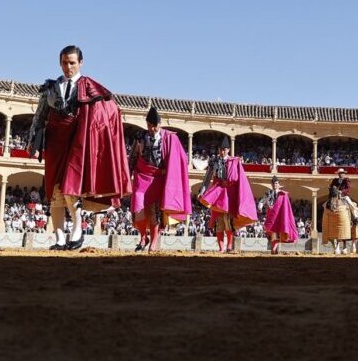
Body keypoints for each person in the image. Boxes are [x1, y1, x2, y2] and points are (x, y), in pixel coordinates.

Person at [28, 45, 131, 251]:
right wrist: (34, 141)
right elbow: (40, 117)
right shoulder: (50, 87)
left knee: (70, 187)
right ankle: (58, 237)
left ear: (80, 63)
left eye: (72, 63)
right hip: (55, 140)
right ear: (60, 62)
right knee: (54, 190)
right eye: (65, 63)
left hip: (78, 138)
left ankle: (77, 229)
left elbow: (107, 112)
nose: (68, 67)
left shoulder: (90, 87)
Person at [128, 107, 191, 252]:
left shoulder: (169, 138)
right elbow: (133, 157)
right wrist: (128, 175)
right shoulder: (140, 137)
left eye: (154, 126)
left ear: (160, 124)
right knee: (138, 208)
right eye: (149, 125)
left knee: (154, 212)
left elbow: (179, 158)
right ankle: (144, 237)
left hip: (158, 179)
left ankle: (154, 242)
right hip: (141, 177)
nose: (151, 129)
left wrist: (168, 172)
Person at [199, 137, 258, 253]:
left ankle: (229, 246)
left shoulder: (234, 161)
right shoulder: (214, 161)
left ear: (228, 150)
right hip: (217, 192)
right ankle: (221, 248)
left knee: (228, 222)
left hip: (229, 193)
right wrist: (202, 191)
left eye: (225, 149)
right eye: (221, 149)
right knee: (218, 222)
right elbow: (207, 178)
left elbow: (240, 179)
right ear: (218, 149)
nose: (222, 151)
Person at [322, 168, 358, 254]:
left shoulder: (346, 180)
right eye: (340, 173)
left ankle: (355, 217)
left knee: (350, 203)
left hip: (344, 196)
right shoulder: (335, 180)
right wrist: (333, 190)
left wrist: (341, 192)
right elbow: (332, 187)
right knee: (325, 205)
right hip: (335, 196)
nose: (341, 174)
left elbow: (348, 189)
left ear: (344, 174)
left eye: (342, 173)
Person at [261, 175, 298, 255]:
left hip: (280, 216)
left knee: (278, 234)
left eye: (276, 183)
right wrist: (260, 206)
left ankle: (274, 248)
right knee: (272, 233)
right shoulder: (268, 193)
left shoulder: (283, 194)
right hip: (271, 215)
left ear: (279, 184)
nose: (275, 185)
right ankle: (274, 248)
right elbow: (262, 201)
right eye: (274, 183)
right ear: (271, 184)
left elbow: (286, 206)